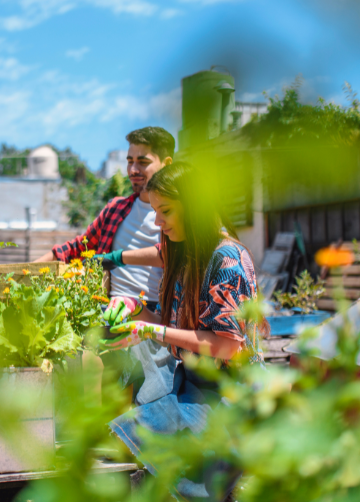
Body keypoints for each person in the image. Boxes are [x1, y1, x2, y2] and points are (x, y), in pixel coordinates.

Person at [100, 161, 265, 500]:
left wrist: (149, 330)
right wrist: (134, 309)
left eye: (166, 211)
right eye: (156, 211)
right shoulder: (187, 254)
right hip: (193, 385)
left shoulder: (227, 259)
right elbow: (172, 322)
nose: (158, 222)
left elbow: (224, 347)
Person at [35, 127, 174, 306]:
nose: (133, 170)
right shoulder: (115, 209)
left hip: (157, 313)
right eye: (130, 161)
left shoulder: (178, 212)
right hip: (108, 308)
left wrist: (116, 257)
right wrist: (25, 270)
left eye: (142, 162)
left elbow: (173, 253)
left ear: (167, 163)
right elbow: (76, 248)